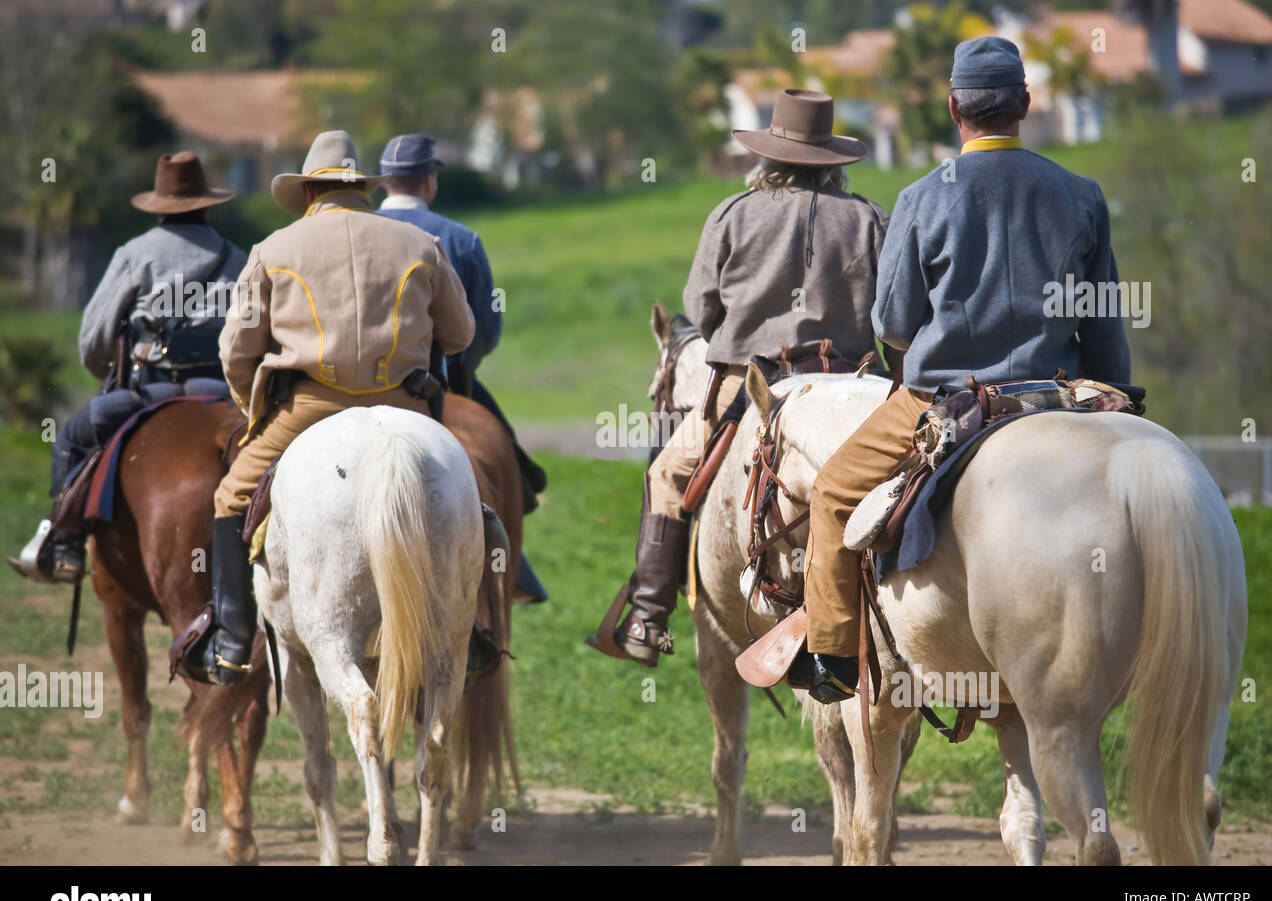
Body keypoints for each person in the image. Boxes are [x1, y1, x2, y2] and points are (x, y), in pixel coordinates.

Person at [781, 37, 1132, 704]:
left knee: (830, 494)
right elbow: (1106, 321)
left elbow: (892, 323)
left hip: (944, 398)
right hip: (1056, 394)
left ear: (953, 108)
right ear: (1025, 105)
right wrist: (1119, 391)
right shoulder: (1081, 194)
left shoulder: (922, 198)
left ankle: (831, 658)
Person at [587, 89, 890, 667]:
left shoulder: (732, 214)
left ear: (769, 157)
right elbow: (892, 315)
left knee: (669, 474)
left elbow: (701, 313)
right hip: (853, 387)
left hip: (746, 391)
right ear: (832, 161)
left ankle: (648, 620)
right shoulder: (870, 220)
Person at [169, 130, 475, 686]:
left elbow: (235, 350)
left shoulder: (273, 249)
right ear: (362, 188)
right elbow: (460, 334)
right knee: (468, 499)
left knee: (230, 498)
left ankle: (233, 638)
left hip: (306, 409)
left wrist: (251, 405)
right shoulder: (418, 244)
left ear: (309, 191)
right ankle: (471, 629)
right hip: (404, 405)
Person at [8, 151, 245, 584]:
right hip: (229, 397)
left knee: (70, 439)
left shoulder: (136, 254)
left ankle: (65, 546)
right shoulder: (239, 257)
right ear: (208, 203)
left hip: (152, 391)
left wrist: (107, 374)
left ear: (158, 204)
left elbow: (93, 337)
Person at [376, 132, 548, 602]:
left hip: (357, 386)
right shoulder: (461, 238)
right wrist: (461, 364)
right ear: (429, 180)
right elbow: (484, 329)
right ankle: (508, 560)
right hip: (443, 383)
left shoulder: (358, 233)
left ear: (382, 182)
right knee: (512, 466)